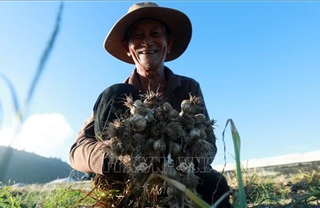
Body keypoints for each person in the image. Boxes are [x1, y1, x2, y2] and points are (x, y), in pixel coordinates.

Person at [69, 2, 231, 207]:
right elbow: (77, 150)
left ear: (168, 42)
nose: (147, 42)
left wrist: (172, 161)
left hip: (178, 177)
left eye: (155, 33)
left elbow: (208, 144)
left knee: (216, 186)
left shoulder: (189, 88)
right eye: (137, 36)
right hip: (127, 181)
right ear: (128, 48)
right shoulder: (116, 97)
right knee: (115, 92)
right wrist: (123, 159)